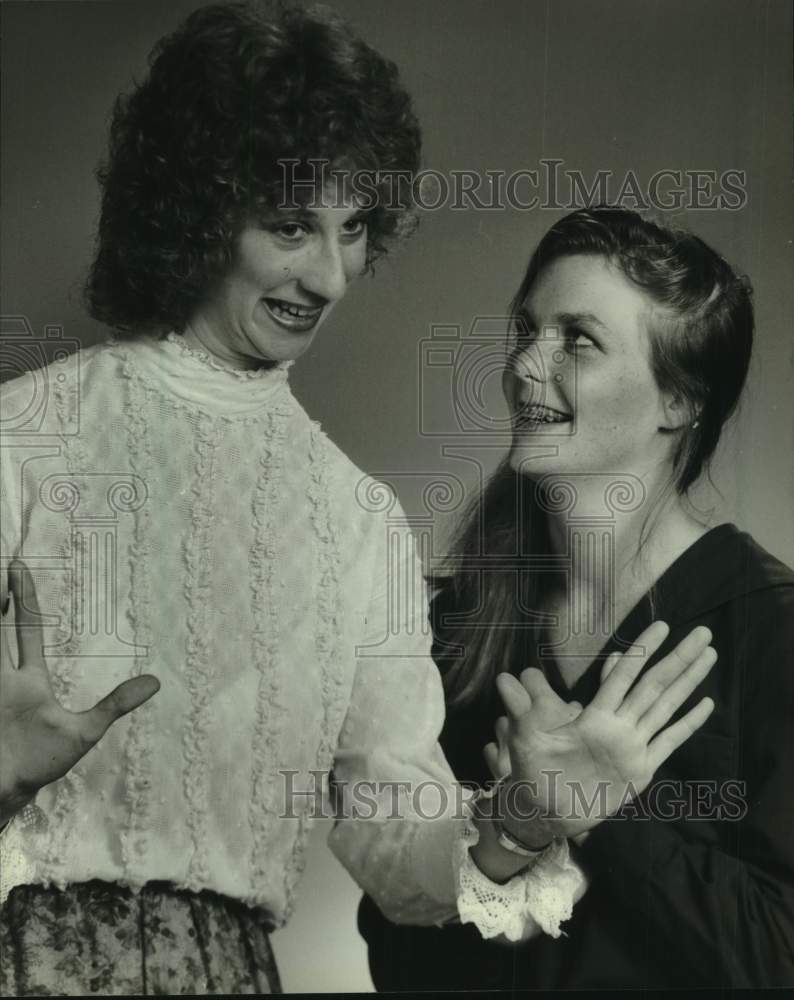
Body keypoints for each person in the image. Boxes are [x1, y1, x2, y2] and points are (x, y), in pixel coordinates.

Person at [0, 6, 720, 993]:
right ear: (195, 206)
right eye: (291, 226)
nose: (329, 275)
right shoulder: (23, 438)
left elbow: (394, 835)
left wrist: (517, 819)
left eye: (353, 229)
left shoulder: (354, 517)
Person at [359, 206, 794, 989]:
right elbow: (398, 960)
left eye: (577, 341)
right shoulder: (457, 630)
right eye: (527, 330)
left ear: (680, 401)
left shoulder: (775, 633)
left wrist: (603, 817)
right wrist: (512, 832)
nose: (527, 364)